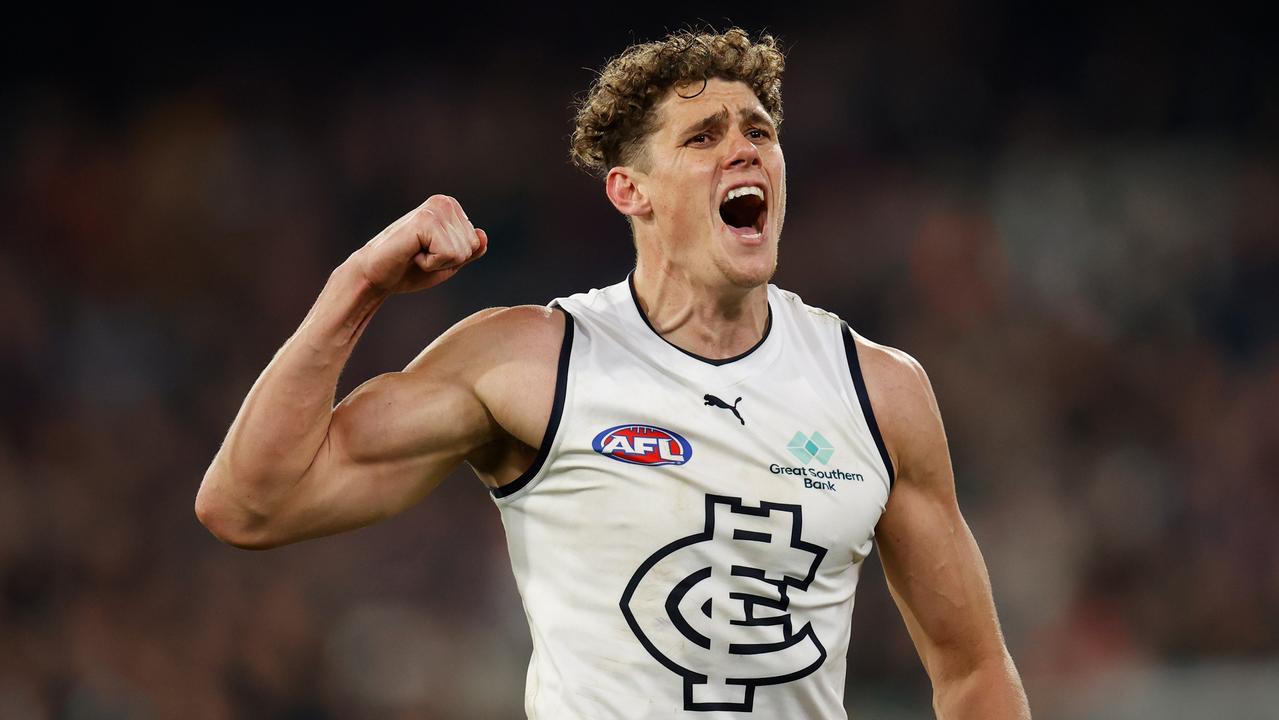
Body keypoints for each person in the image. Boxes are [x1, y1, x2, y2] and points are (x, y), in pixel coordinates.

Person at [196, 27, 1031, 719]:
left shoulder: (878, 389)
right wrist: (359, 285)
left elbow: (973, 672)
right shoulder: (529, 361)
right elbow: (250, 503)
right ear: (630, 191)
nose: (742, 150)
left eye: (758, 132)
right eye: (702, 138)